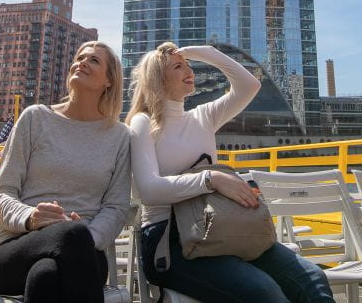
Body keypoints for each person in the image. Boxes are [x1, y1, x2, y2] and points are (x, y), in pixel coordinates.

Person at [128, 42, 334, 303]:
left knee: (312, 278)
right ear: (157, 77)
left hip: (224, 230)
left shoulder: (203, 115)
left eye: (189, 65)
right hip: (170, 244)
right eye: (178, 66)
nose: (189, 69)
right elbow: (148, 189)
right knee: (263, 291)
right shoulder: (143, 122)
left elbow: (250, 86)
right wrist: (211, 179)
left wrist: (205, 53)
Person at [0, 41, 131, 303]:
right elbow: (1, 194)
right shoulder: (35, 118)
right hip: (17, 249)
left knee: (46, 276)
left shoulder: (120, 136)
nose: (82, 62)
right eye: (79, 57)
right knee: (70, 235)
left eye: (94, 60)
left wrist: (86, 236)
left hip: (86, 251)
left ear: (109, 81)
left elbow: (116, 207)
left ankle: (75, 236)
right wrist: (31, 217)